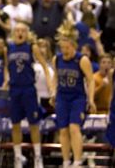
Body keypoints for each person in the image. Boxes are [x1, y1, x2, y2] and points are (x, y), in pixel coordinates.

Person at [3, 22, 52, 168]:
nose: (20, 33)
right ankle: (18, 157)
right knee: (15, 124)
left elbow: (44, 65)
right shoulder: (9, 48)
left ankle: (38, 156)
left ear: (27, 33)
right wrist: (6, 79)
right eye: (17, 30)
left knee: (33, 124)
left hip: (29, 89)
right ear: (13, 33)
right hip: (14, 90)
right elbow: (7, 67)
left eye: (23, 31)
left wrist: (49, 83)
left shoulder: (32, 47)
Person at [51, 20, 96, 168]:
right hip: (62, 97)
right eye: (62, 47)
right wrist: (53, 93)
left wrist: (91, 99)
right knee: (63, 130)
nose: (65, 51)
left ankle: (77, 161)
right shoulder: (57, 59)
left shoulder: (82, 60)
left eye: (67, 47)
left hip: (77, 98)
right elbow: (55, 77)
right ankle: (66, 161)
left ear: (74, 45)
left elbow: (90, 80)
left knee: (74, 128)